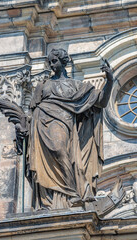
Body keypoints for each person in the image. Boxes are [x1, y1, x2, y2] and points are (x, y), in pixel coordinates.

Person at [25, 48, 113, 210]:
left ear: (63, 62)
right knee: (56, 154)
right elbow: (31, 111)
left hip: (64, 122)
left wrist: (110, 81)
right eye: (50, 62)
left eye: (54, 61)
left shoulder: (76, 85)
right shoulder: (43, 86)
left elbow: (101, 101)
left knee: (61, 151)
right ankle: (61, 195)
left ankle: (72, 192)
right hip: (42, 123)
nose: (51, 65)